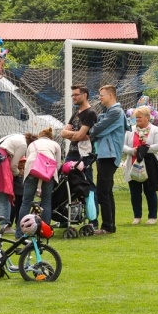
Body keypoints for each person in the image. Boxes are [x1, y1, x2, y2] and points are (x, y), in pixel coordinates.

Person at [88, 85, 129, 235]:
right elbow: (98, 128)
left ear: (111, 95)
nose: (99, 98)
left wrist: (92, 130)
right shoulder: (108, 112)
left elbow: (97, 129)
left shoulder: (116, 112)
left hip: (109, 155)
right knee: (107, 191)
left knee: (102, 191)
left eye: (102, 95)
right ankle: (110, 226)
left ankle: (106, 226)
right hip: (103, 154)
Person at [61, 85, 99, 228]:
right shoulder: (76, 113)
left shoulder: (90, 113)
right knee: (66, 184)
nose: (74, 97)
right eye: (72, 95)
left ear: (85, 95)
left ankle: (93, 220)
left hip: (84, 155)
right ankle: (66, 218)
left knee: (87, 185)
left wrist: (73, 134)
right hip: (71, 154)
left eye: (76, 94)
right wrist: (75, 135)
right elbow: (64, 133)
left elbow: (79, 136)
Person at [15, 127, 62, 238]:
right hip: (48, 172)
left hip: (32, 170)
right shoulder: (55, 145)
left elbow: (28, 158)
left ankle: (19, 232)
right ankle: (44, 232)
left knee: (26, 202)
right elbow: (58, 164)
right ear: (51, 137)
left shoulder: (32, 144)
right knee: (46, 202)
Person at [122, 105, 158, 225]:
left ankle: (152, 217)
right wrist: (132, 151)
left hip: (150, 166)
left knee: (150, 191)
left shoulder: (155, 129)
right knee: (135, 192)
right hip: (133, 165)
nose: (137, 119)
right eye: (136, 117)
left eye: (140, 117)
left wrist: (143, 150)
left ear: (147, 117)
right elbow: (123, 146)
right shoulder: (130, 130)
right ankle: (137, 216)